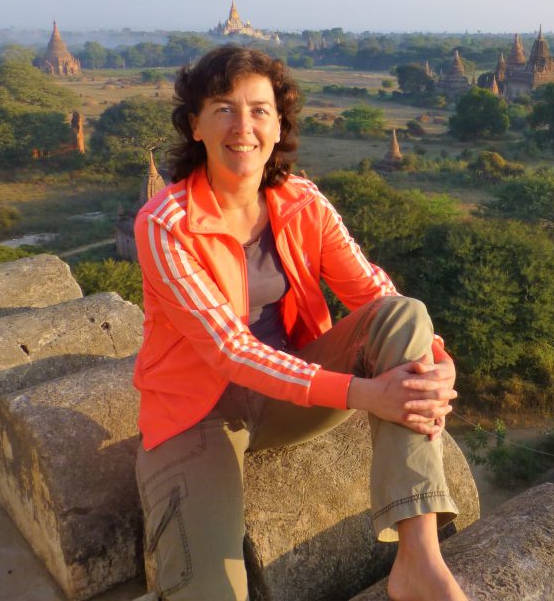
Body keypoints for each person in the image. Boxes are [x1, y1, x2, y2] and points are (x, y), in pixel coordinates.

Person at [133, 45, 467, 601]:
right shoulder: (165, 224)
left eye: (260, 110)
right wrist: (365, 394)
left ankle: (419, 560)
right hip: (199, 415)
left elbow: (374, 292)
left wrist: (437, 361)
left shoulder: (301, 201)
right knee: (208, 591)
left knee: (406, 317)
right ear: (195, 125)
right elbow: (229, 351)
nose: (244, 127)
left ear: (278, 123)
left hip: (291, 395)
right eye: (224, 108)